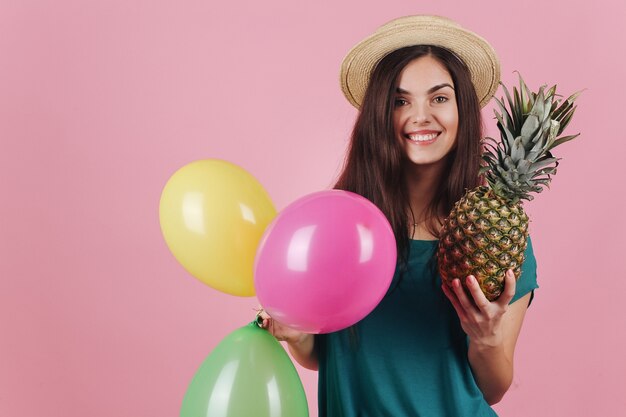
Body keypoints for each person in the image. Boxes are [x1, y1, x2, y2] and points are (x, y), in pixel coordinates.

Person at [260, 15, 538, 416]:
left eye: (439, 98)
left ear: (462, 110)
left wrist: (487, 337)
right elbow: (326, 355)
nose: (420, 116)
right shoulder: (336, 223)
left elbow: (492, 389)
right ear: (379, 114)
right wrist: (296, 333)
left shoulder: (498, 237)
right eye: (400, 100)